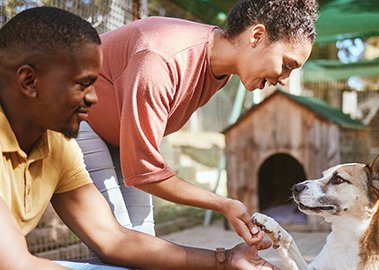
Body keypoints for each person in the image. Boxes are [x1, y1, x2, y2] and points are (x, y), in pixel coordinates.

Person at [0, 6, 278, 270]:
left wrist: (226, 260)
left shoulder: (58, 146)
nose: (95, 97)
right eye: (83, 84)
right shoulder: (161, 57)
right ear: (29, 81)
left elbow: (114, 240)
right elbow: (16, 265)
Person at [77, 0, 318, 247]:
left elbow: (140, 167)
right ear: (256, 35)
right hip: (78, 121)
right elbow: (144, 170)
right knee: (118, 245)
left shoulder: (219, 70)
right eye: (287, 65)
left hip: (117, 137)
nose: (285, 80)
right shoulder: (161, 59)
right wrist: (222, 204)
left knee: (141, 240)